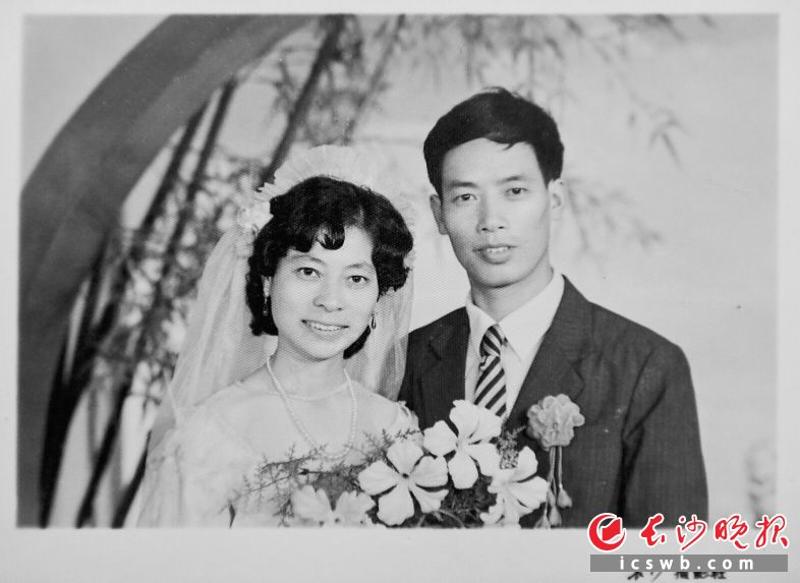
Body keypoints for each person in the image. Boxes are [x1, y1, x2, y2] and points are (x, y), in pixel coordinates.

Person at [399, 88, 708, 527]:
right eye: (465, 197)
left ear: (555, 198)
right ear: (439, 214)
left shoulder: (645, 367)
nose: (491, 221)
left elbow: (669, 557)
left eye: (515, 191)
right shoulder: (406, 360)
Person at [137, 147, 415, 527]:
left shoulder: (397, 430)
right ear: (268, 280)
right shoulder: (210, 434)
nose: (330, 300)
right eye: (308, 272)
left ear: (378, 295)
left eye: (356, 279)